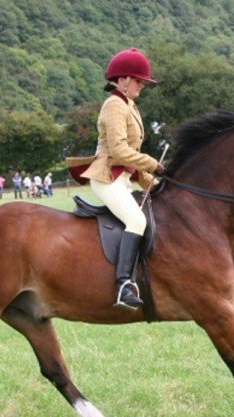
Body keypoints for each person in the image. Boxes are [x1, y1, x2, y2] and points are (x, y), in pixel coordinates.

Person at [66, 48, 164, 310]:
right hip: (107, 176)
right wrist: (155, 165)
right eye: (139, 81)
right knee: (136, 219)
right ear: (121, 80)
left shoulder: (130, 106)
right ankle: (123, 285)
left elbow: (133, 158)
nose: (142, 86)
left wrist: (156, 183)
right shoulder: (113, 105)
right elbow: (120, 151)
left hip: (123, 177)